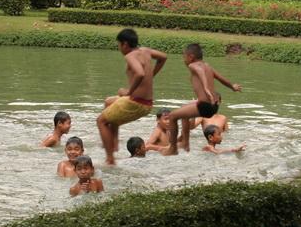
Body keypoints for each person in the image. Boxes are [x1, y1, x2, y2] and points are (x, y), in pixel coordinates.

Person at [97, 29, 167, 165]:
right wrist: (151, 75)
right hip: (147, 103)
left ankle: (110, 158)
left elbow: (140, 73)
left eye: (119, 44)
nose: (119, 48)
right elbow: (163, 57)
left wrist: (129, 91)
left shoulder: (130, 56)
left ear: (125, 44)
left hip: (135, 102)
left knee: (101, 121)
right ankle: (115, 142)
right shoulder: (146, 51)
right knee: (109, 102)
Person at [163, 43, 242, 155]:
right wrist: (232, 86)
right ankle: (185, 142)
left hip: (205, 105)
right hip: (214, 106)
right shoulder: (208, 66)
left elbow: (200, 73)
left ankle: (173, 147)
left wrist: (205, 87)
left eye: (184, 57)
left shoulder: (192, 65)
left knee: (172, 116)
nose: (183, 60)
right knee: (184, 112)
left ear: (191, 57)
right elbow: (221, 78)